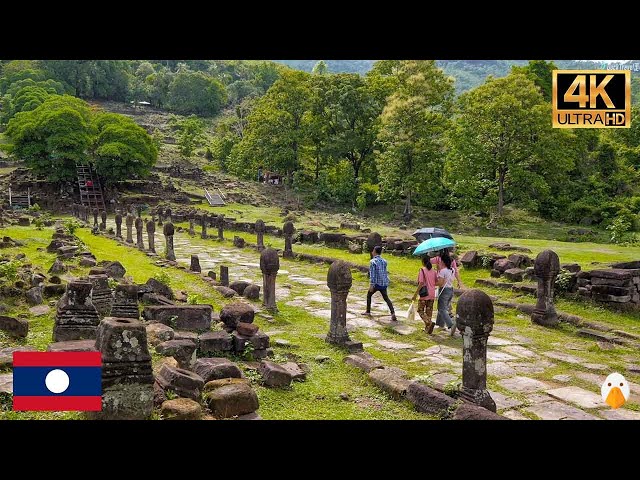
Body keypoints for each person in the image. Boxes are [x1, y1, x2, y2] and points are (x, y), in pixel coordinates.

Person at [363, 245, 397, 321]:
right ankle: (393, 313)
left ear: (374, 252)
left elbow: (373, 274)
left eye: (373, 251)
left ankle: (368, 311)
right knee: (386, 298)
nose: (372, 252)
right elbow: (385, 272)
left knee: (369, 295)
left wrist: (372, 284)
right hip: (383, 283)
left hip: (376, 283)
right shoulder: (384, 261)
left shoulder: (373, 261)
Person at [412, 256, 437, 333]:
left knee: (420, 310)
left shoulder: (422, 270)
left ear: (423, 262)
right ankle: (428, 329)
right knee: (429, 311)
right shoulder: (434, 271)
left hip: (424, 294)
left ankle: (429, 322)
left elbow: (421, 283)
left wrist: (415, 294)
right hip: (432, 293)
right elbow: (436, 282)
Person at [435, 255, 456, 334]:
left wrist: (432, 283)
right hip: (450, 290)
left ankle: (451, 324)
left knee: (442, 309)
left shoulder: (443, 271)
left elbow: (440, 283)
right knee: (443, 308)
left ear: (443, 262)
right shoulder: (452, 270)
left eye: (441, 261)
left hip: (444, 291)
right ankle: (441, 325)